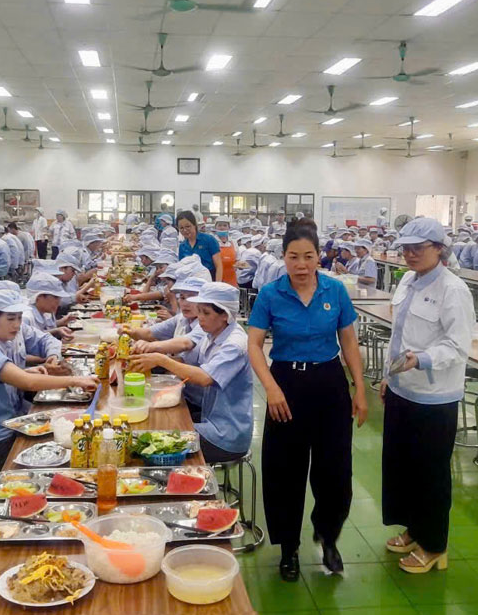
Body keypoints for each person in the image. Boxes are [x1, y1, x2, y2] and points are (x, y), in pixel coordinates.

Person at [246, 219, 367, 581]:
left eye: (308, 256)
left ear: (319, 257)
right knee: (285, 469)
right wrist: (270, 386)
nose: (301, 264)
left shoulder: (334, 291)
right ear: (283, 257)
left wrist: (359, 387)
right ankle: (289, 548)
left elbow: (348, 342)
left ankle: (328, 537)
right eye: (293, 257)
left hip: (329, 383)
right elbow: (253, 344)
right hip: (286, 382)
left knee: (335, 469)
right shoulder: (270, 294)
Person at [380, 217, 474, 574]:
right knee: (404, 467)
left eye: (418, 248)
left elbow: (458, 345)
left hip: (435, 398)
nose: (410, 254)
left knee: (431, 472)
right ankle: (414, 529)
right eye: (406, 247)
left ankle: (435, 545)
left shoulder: (454, 290)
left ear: (439, 248)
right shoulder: (406, 280)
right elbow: (398, 334)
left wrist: (422, 360)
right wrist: (390, 376)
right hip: (404, 389)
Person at [0, 289, 99, 472]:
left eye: (19, 318)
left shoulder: (7, 334)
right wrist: (76, 380)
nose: (17, 324)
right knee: (71, 454)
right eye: (10, 318)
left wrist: (47, 360)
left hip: (17, 420)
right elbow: (28, 383)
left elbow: (44, 342)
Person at [130, 282, 253, 463]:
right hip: (209, 418)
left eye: (206, 313)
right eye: (200, 311)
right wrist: (154, 359)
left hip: (225, 435)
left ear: (225, 316)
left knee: (153, 445)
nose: (200, 318)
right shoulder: (212, 333)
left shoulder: (234, 344)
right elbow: (189, 365)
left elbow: (204, 378)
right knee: (157, 422)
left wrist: (161, 359)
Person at [22, 272, 76, 340]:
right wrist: (56, 331)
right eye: (55, 297)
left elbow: (43, 330)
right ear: (39, 297)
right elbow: (29, 342)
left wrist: (61, 323)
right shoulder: (26, 318)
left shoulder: (44, 312)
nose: (59, 302)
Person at [177, 211, 222, 282]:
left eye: (188, 226)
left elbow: (219, 266)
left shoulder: (209, 240)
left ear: (194, 225)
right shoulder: (182, 246)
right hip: (190, 283)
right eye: (181, 228)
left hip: (210, 280)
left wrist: (216, 285)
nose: (185, 230)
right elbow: (182, 269)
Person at [212, 216, 238, 286]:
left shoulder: (233, 242)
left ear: (229, 228)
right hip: (216, 279)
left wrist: (239, 265)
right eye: (219, 225)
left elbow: (237, 260)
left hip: (231, 280)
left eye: (225, 225)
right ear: (215, 227)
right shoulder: (212, 242)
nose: (222, 227)